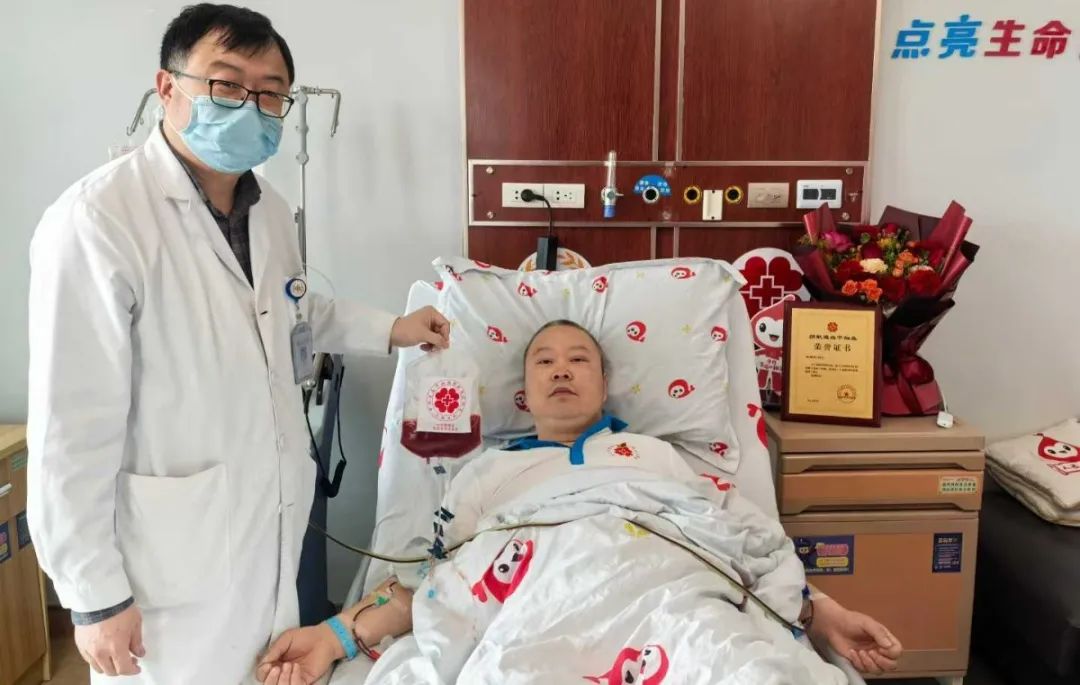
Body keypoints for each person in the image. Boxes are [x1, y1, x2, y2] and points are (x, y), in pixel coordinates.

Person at [26, 5, 448, 683]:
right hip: (165, 566)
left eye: (270, 92)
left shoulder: (269, 212)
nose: (250, 105)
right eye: (226, 84)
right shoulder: (98, 221)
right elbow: (69, 428)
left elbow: (292, 309)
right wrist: (94, 594)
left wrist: (392, 329)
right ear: (167, 87)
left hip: (264, 529)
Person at [256, 320, 903, 684]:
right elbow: (434, 582)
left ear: (605, 382)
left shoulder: (655, 456)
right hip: (532, 608)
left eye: (578, 359)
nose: (561, 369)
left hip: (670, 598)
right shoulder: (486, 473)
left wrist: (823, 614)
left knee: (745, 669)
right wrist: (333, 636)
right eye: (543, 361)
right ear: (524, 390)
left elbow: (738, 542)